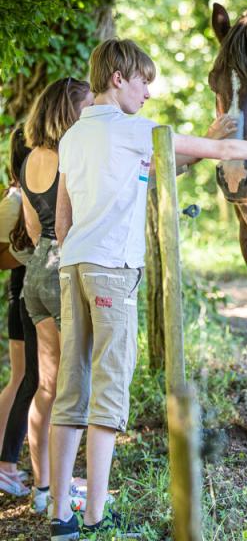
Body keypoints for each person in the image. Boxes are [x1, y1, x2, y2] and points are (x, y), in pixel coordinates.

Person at [49, 37, 247, 540]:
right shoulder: (132, 130)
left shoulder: (73, 137)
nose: (147, 93)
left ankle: (60, 513)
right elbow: (227, 150)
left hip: (72, 266)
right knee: (108, 395)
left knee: (70, 394)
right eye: (143, 81)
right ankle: (95, 517)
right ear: (118, 77)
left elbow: (62, 223)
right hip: (111, 272)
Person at [20, 77, 94, 514]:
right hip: (66, 268)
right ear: (69, 110)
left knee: (47, 387)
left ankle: (42, 487)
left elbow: (33, 229)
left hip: (36, 274)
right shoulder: (73, 155)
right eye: (86, 106)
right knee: (73, 388)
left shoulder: (30, 159)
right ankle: (66, 494)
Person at [0, 126, 34, 497]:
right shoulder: (14, 198)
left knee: (24, 379)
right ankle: (4, 464)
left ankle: (5, 462)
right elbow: (1, 258)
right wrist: (27, 249)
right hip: (22, 293)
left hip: (29, 293)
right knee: (22, 379)